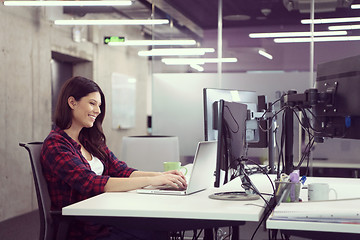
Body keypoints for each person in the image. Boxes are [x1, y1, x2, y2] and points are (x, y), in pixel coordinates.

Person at [40, 76, 187, 240]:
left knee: (160, 229)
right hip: (85, 229)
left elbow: (122, 171)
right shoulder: (56, 145)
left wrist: (162, 176)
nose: (98, 110)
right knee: (155, 233)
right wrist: (152, 181)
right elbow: (91, 183)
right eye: (92, 103)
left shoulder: (90, 141)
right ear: (72, 102)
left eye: (99, 105)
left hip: (105, 218)